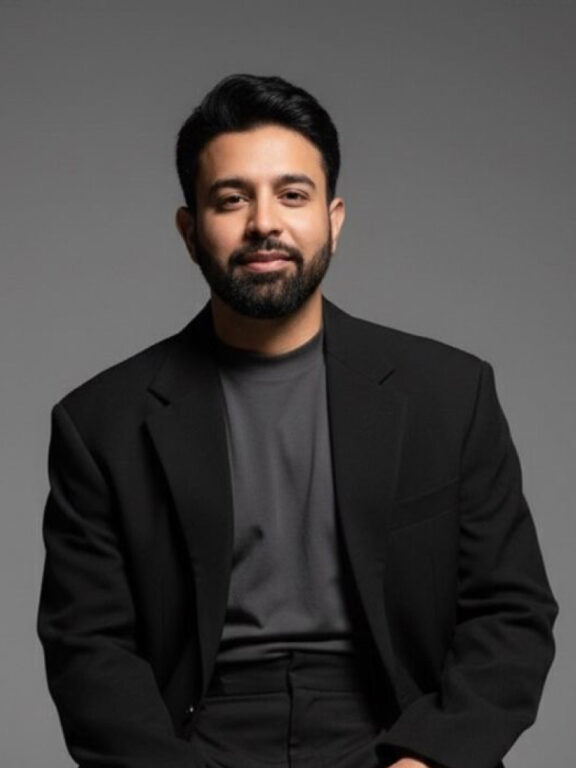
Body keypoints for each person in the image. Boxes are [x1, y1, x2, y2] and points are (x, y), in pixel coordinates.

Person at [36, 73, 559, 768]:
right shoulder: (100, 422)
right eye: (231, 199)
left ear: (333, 221)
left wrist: (428, 760)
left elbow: (511, 614)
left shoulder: (449, 394)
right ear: (190, 232)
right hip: (194, 739)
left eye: (292, 194)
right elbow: (88, 649)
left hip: (394, 728)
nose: (265, 224)